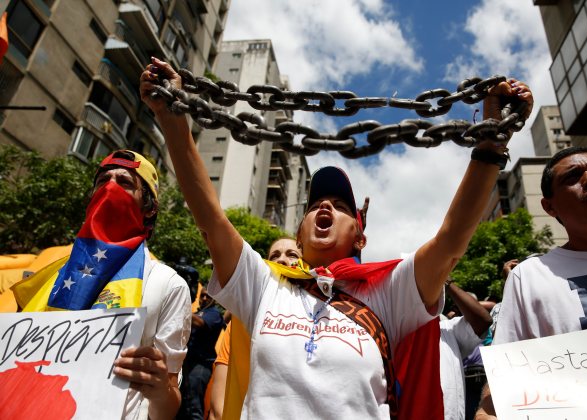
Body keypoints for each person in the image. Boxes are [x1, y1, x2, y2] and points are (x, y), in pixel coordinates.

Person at [140, 57, 532, 418]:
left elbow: (450, 242)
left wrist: (492, 141)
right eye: (316, 204)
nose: (325, 208)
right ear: (299, 232)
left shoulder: (389, 293)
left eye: (340, 206)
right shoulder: (263, 286)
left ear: (360, 238)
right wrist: (172, 118)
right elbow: (210, 219)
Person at [11, 150, 192, 420]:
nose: (110, 187)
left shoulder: (168, 284)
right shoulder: (53, 276)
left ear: (150, 206)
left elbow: (166, 410)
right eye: (103, 180)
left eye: (125, 182)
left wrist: (160, 389)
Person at [475, 147, 587, 419]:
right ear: (549, 206)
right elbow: (507, 382)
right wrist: (489, 412)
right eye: (572, 177)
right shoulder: (529, 276)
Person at [208, 237, 302, 420]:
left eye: (292, 255)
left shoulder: (321, 318)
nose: (281, 260)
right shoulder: (239, 324)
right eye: (274, 256)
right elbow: (219, 406)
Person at [440, 279, 492, 420]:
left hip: (477, 373)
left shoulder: (445, 328)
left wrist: (445, 281)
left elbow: (483, 320)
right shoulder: (393, 328)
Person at [178, 287, 224, 420]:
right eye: (202, 296)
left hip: (201, 365)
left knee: (194, 406)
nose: (204, 299)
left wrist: (181, 308)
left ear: (213, 299)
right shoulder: (198, 312)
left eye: (208, 296)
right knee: (183, 404)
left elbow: (199, 323)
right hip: (187, 363)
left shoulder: (214, 314)